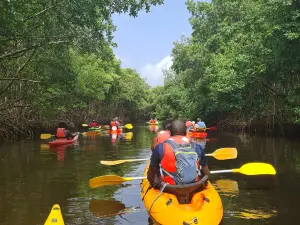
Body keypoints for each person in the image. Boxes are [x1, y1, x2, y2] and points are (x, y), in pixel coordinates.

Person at [147, 120, 210, 188]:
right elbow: (206, 174)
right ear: (186, 132)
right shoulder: (197, 147)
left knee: (155, 168)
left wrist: (155, 184)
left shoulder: (160, 147)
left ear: (170, 133)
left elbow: (151, 175)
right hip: (194, 186)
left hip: (170, 187)